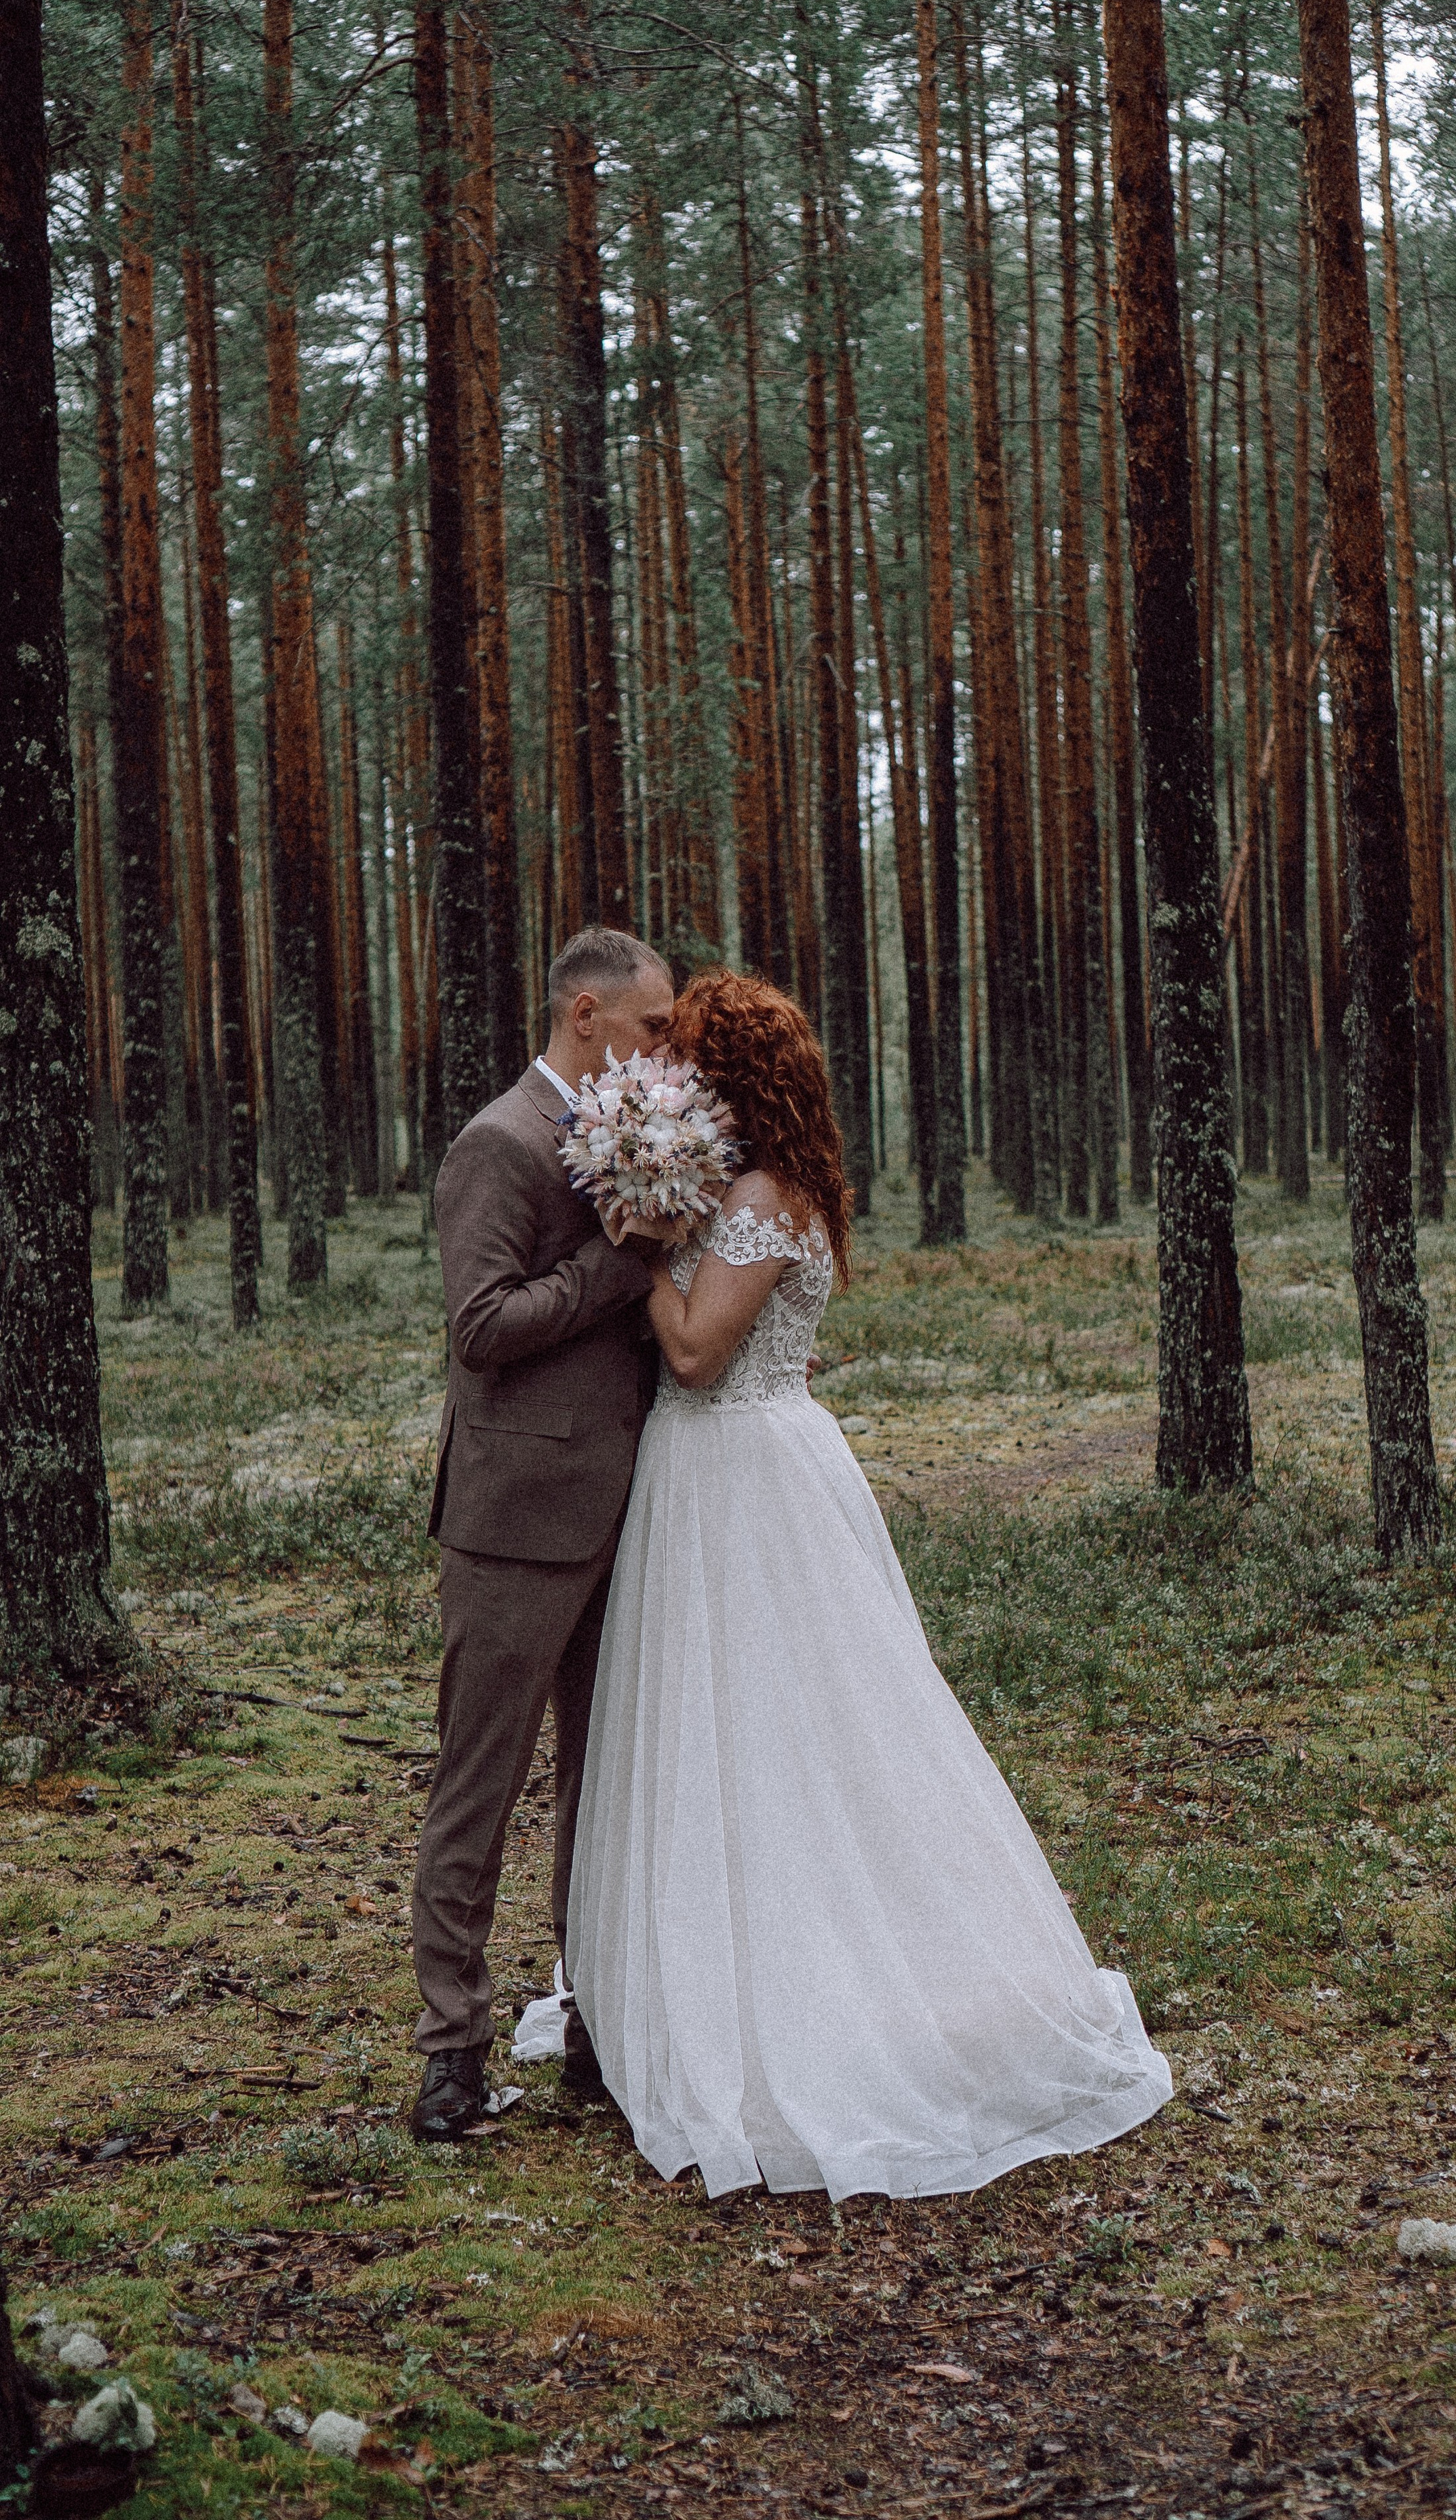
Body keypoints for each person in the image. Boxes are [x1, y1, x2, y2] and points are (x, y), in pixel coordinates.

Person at [566, 969, 1172, 2200]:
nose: (673, 1075)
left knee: (790, 1729)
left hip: (738, 1472)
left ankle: (797, 1995)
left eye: (690, 1060)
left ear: (731, 1081)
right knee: (731, 1726)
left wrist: (637, 1246)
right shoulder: (780, 1189)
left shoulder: (759, 1196)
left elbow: (692, 1355)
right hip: (738, 1466)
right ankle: (723, 1953)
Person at [408, 924, 683, 2141]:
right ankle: (452, 2053)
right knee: (481, 1782)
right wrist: (619, 1271)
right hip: (516, 1524)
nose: (666, 1052)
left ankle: (592, 2025)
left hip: (630, 1509)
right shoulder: (499, 1144)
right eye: (653, 1027)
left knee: (602, 1783)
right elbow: (482, 1326)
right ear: (587, 1018)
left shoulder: (630, 1135)